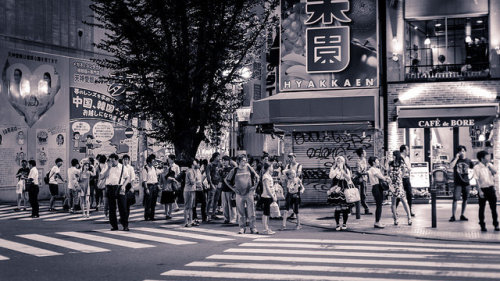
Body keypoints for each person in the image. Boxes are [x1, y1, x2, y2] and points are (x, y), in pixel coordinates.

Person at [224, 154, 260, 234]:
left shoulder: (248, 168)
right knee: (240, 212)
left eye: (245, 160)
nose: (245, 162)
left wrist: (254, 187)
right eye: (243, 160)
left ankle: (253, 228)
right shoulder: (235, 170)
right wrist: (233, 189)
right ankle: (242, 228)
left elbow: (257, 177)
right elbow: (226, 180)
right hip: (239, 194)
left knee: (251, 212)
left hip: (249, 193)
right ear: (239, 161)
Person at [100, 153, 130, 231]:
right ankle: (114, 225)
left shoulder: (122, 167)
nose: (112, 163)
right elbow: (102, 177)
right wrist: (109, 168)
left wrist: (123, 185)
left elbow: (127, 178)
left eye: (113, 161)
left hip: (119, 187)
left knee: (122, 207)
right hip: (109, 187)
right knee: (112, 208)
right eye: (110, 161)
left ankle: (125, 225)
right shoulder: (106, 166)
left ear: (117, 160)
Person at [473, 151, 499, 231]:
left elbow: (495, 172)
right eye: (487, 157)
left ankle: (496, 225)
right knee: (482, 208)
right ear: (482, 158)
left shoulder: (490, 165)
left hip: (491, 188)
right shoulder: (477, 167)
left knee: (494, 208)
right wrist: (479, 191)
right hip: (483, 189)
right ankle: (482, 225)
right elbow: (476, 180)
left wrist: (489, 167)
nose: (489, 158)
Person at [328, 156, 354, 231]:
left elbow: (349, 179)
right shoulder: (333, 168)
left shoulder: (346, 169)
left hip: (344, 188)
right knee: (337, 207)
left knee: (344, 207)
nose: (339, 163)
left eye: (341, 161)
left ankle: (344, 223)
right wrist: (336, 169)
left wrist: (342, 170)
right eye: (338, 161)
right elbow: (330, 176)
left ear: (344, 162)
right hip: (336, 188)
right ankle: (337, 224)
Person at [449, 145, 474, 222]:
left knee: (465, 199)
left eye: (463, 151)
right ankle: (453, 215)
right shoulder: (456, 160)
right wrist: (456, 158)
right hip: (458, 183)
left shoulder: (469, 161)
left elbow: (474, 170)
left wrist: (471, 178)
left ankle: (462, 214)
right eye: (460, 151)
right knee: (455, 199)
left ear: (465, 152)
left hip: (466, 183)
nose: (461, 152)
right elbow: (450, 166)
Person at [388, 151, 412, 226]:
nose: (393, 156)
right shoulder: (390, 163)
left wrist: (400, 177)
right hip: (392, 185)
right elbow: (388, 171)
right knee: (393, 203)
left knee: (404, 201)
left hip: (399, 184)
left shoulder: (401, 163)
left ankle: (409, 218)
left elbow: (406, 170)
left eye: (394, 155)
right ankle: (395, 219)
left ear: (397, 156)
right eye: (393, 155)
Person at [368, 156, 388, 228]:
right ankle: (377, 222)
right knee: (379, 205)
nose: (378, 162)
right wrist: (386, 178)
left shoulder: (376, 169)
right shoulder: (372, 169)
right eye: (377, 161)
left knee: (379, 205)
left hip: (378, 187)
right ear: (373, 162)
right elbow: (381, 177)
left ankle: (378, 221)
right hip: (376, 187)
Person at [397, 145, 414, 216]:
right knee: (398, 194)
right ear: (404, 150)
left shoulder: (407, 158)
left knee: (409, 194)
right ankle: (394, 210)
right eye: (407, 149)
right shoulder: (398, 158)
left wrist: (408, 168)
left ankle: (410, 210)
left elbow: (409, 168)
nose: (408, 151)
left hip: (407, 178)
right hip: (400, 178)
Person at [284, 153, 302, 219]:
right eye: (289, 157)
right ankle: (293, 212)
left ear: (295, 157)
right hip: (289, 185)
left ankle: (295, 212)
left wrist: (291, 175)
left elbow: (298, 174)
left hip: (297, 185)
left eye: (292, 157)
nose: (291, 159)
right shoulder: (288, 166)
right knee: (289, 199)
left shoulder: (299, 165)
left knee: (296, 200)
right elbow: (285, 174)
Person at [354, 148, 372, 215]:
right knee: (361, 194)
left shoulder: (364, 160)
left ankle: (365, 208)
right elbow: (358, 172)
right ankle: (365, 209)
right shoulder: (358, 161)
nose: (365, 153)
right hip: (360, 180)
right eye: (364, 152)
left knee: (364, 194)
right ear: (362, 154)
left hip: (364, 179)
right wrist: (366, 173)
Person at [220, 156, 237, 224]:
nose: (224, 162)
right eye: (223, 160)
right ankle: (226, 218)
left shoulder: (232, 169)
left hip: (230, 189)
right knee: (224, 205)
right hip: (223, 189)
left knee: (231, 205)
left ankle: (233, 219)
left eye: (225, 160)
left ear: (229, 161)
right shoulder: (222, 170)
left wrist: (234, 190)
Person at [184, 159, 201, 227]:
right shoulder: (190, 171)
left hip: (192, 190)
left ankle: (190, 221)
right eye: (194, 162)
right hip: (189, 190)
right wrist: (197, 180)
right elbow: (192, 181)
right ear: (192, 164)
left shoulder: (192, 171)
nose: (195, 163)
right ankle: (186, 222)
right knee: (187, 207)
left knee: (191, 207)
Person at [261, 162, 276, 234]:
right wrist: (273, 196)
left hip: (269, 196)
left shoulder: (268, 175)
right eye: (272, 167)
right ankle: (265, 229)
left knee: (267, 213)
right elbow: (267, 187)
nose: (272, 168)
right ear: (269, 167)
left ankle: (267, 228)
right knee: (265, 213)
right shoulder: (265, 176)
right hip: (266, 196)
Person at [142, 155, 159, 221]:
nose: (154, 162)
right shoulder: (145, 169)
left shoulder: (154, 168)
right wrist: (146, 189)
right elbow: (144, 180)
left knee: (153, 202)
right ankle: (146, 216)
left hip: (154, 185)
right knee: (148, 202)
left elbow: (155, 177)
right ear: (149, 162)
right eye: (152, 161)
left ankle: (152, 216)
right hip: (149, 186)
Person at [206, 152, 222, 220]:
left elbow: (221, 173)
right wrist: (211, 184)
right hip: (212, 184)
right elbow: (208, 175)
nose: (219, 158)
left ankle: (213, 214)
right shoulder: (210, 165)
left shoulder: (219, 164)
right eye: (218, 156)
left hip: (218, 184)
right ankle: (207, 214)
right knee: (210, 199)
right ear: (215, 157)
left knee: (216, 200)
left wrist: (220, 182)